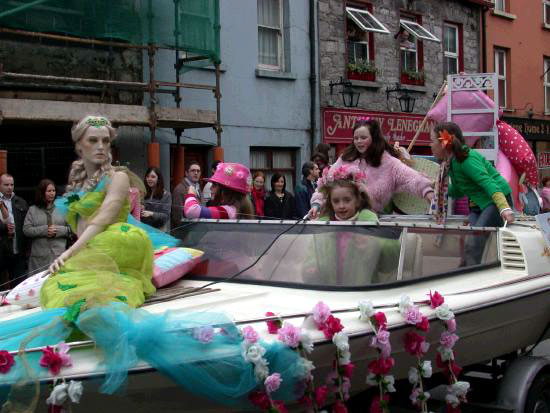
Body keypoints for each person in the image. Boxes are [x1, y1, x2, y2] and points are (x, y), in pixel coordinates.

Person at [41, 115, 176, 309]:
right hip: (90, 252)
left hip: (117, 248)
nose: (101, 146)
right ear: (79, 146)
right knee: (59, 292)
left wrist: (68, 253)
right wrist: (73, 254)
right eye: (93, 140)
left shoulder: (118, 177)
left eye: (105, 141)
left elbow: (102, 219)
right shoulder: (79, 187)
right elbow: (81, 229)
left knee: (98, 299)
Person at [309, 119, 434, 218]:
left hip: (369, 223)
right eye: (356, 138)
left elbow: (411, 178)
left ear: (374, 138)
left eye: (363, 138)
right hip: (339, 221)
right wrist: (316, 205)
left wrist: (428, 192)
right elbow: (326, 185)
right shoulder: (345, 158)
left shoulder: (389, 163)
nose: (359, 141)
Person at [430, 121, 514, 265]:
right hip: (479, 206)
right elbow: (458, 191)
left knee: (474, 242)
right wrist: (436, 189)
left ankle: (469, 274)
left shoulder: (467, 159)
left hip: (495, 202)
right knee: (470, 243)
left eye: (431, 141)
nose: (429, 145)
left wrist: (504, 208)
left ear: (444, 144)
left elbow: (489, 183)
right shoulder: (452, 163)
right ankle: (466, 270)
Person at [302, 165, 399, 285]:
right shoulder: (324, 226)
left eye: (347, 200)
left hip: (362, 292)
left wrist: (371, 243)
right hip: (330, 291)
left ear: (357, 200)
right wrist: (310, 269)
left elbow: (390, 261)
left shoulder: (368, 222)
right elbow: (313, 255)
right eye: (336, 201)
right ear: (330, 203)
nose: (341, 206)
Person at [23, 179, 70, 275]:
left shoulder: (62, 208)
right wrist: (45, 230)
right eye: (49, 191)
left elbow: (72, 229)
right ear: (42, 192)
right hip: (39, 258)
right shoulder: (33, 210)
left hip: (58, 256)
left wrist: (58, 230)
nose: (52, 193)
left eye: (53, 191)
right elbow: (26, 230)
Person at [184, 162, 253, 219]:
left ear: (226, 190)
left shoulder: (228, 211)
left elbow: (191, 211)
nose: (210, 188)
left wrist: (191, 194)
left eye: (214, 185)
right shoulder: (235, 209)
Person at [0, 173, 29, 287]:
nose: (9, 187)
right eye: (6, 184)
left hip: (18, 251)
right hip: (1, 251)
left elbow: (26, 226)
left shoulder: (20, 201)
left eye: (11, 184)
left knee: (19, 286)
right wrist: (3, 227)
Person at [171, 161, 202, 228]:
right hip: (186, 231)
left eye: (198, 171)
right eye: (193, 171)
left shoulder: (198, 187)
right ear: (186, 173)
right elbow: (177, 216)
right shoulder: (180, 189)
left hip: (197, 229)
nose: (196, 173)